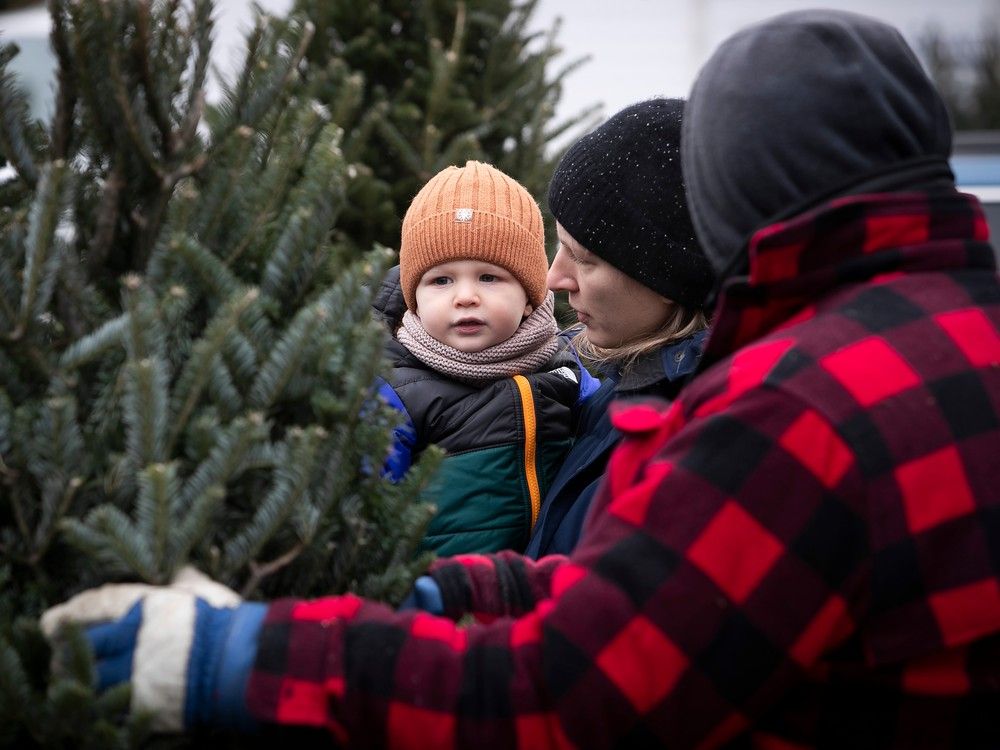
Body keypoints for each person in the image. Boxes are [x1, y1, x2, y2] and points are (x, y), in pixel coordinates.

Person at [42, 10, 1000, 746]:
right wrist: (438, 596)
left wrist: (231, 658)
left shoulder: (797, 414)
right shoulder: (955, 328)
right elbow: (632, 585)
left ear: (728, 210)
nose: (551, 281)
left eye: (577, 253)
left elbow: (568, 696)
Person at [371, 160, 596, 555]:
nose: (465, 296)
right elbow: (363, 505)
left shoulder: (566, 370)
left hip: (542, 589)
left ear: (530, 298)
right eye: (441, 280)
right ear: (415, 301)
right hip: (434, 595)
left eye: (489, 277)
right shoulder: (396, 390)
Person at [525, 96, 713, 557]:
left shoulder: (685, 442)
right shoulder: (607, 379)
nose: (554, 278)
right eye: (559, 244)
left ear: (669, 278)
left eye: (585, 259)